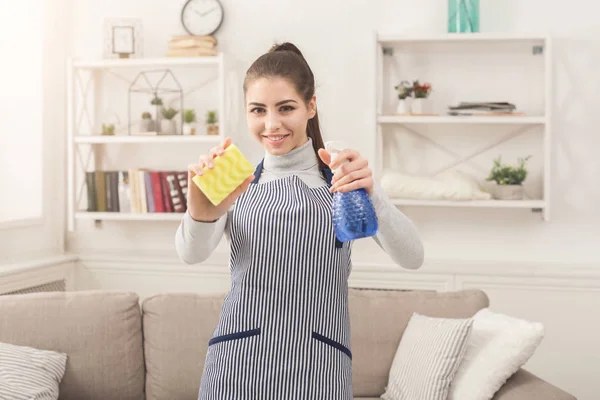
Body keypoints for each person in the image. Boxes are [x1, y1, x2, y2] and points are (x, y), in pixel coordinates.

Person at [175, 42, 424, 400]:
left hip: (320, 366)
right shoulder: (232, 178)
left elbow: (412, 257)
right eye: (258, 110)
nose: (271, 124)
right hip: (235, 367)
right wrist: (200, 209)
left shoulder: (343, 180)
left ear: (311, 106)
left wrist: (373, 195)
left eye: (286, 108)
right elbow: (191, 253)